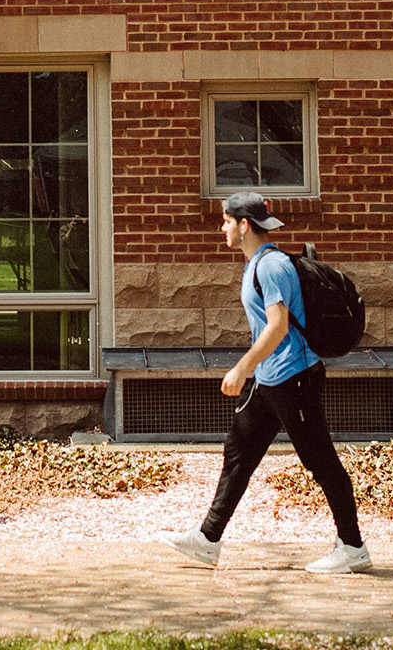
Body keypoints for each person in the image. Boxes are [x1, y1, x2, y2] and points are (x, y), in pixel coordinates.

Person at [155, 191, 371, 573]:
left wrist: (241, 369)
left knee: (321, 461)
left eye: (225, 221)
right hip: (273, 380)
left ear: (244, 225)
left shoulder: (271, 267)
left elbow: (277, 327)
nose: (222, 228)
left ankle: (352, 547)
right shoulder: (258, 262)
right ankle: (208, 539)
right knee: (238, 454)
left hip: (295, 378)